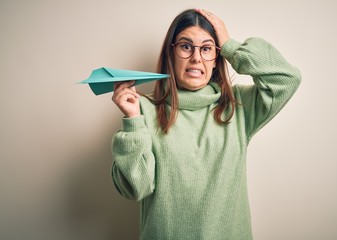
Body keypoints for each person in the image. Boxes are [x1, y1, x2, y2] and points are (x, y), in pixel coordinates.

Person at [111, 8, 301, 240]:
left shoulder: (238, 107)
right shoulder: (143, 110)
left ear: (217, 58)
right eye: (186, 46)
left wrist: (231, 46)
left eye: (207, 48)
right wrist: (132, 122)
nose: (196, 57)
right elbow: (135, 188)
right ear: (171, 53)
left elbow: (286, 78)